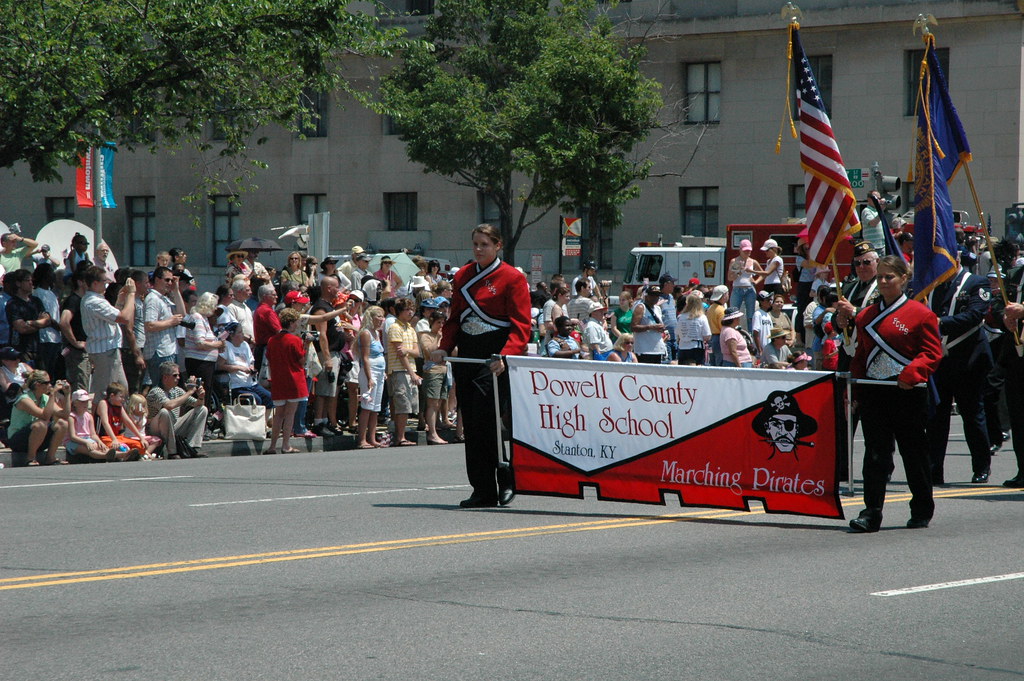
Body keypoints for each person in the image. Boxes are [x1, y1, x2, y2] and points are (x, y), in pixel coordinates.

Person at [836, 255, 943, 532]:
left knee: (913, 453)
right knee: (875, 455)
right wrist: (856, 387)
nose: (883, 282)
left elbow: (932, 353)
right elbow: (861, 354)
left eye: (889, 277)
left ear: (903, 279)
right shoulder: (867, 315)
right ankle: (871, 512)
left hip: (907, 392)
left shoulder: (921, 314)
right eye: (880, 277)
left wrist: (913, 373)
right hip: (875, 392)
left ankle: (921, 508)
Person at [432, 224, 531, 508]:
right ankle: (482, 488)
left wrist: (505, 354)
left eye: (484, 244)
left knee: (490, 421)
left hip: (495, 357)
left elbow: (521, 325)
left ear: (498, 246)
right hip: (468, 355)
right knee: (472, 423)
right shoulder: (463, 275)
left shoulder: (512, 278)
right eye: (475, 243)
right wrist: (444, 347)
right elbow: (454, 320)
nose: (478, 249)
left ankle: (506, 475)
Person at [925, 261, 994, 484]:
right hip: (939, 360)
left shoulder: (976, 282)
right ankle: (935, 469)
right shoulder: (931, 286)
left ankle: (981, 466)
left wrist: (940, 323)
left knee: (972, 414)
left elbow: (975, 315)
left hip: (969, 359)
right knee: (937, 418)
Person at [81, 265, 136, 399]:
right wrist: (131, 295)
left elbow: (112, 319)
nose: (106, 284)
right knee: (107, 392)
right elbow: (124, 318)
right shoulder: (94, 301)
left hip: (110, 349)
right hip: (104, 351)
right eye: (104, 281)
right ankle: (100, 419)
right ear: (95, 283)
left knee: (122, 390)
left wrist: (121, 300)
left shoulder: (98, 300)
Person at [265, 308, 308, 455]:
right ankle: (285, 445)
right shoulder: (295, 340)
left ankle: (272, 446)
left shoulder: (272, 340)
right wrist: (306, 344)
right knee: (290, 413)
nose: (296, 325)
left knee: (279, 414)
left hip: (278, 379)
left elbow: (269, 359)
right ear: (290, 323)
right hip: (294, 379)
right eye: (295, 322)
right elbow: (302, 361)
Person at [146, 361, 208, 459]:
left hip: (173, 425)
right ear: (165, 377)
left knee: (202, 409)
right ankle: (172, 452)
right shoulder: (155, 391)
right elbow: (169, 405)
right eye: (175, 375)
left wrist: (201, 397)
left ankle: (192, 448)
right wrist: (190, 391)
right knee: (164, 412)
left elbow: (197, 404)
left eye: (178, 375)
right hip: (156, 430)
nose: (178, 378)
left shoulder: (177, 390)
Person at [8, 371, 70, 466]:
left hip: (37, 437)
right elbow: (44, 416)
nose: (50, 385)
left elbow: (65, 414)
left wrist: (67, 394)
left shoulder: (45, 398)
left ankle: (50, 458)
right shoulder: (24, 399)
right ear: (37, 385)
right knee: (41, 424)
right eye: (47, 383)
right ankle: (30, 458)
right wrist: (53, 394)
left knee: (62, 423)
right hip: (18, 440)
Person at [836, 241, 880, 371]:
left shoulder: (884, 287)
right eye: (857, 263)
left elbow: (882, 315)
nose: (861, 267)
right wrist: (838, 321)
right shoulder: (848, 287)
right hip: (848, 350)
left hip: (871, 351)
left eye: (866, 262)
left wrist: (855, 311)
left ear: (877, 261)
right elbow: (836, 314)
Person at [143, 265, 186, 386]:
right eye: (167, 280)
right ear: (157, 280)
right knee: (162, 389)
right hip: (159, 352)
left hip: (169, 350)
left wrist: (176, 290)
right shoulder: (152, 299)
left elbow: (182, 314)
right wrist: (170, 322)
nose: (170, 283)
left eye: (172, 280)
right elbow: (149, 325)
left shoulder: (164, 299)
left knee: (170, 389)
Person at [387, 297, 421, 447]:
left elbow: (416, 352)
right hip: (399, 370)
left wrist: (408, 350)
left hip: (410, 369)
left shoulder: (411, 329)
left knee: (409, 405)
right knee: (402, 404)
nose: (410, 312)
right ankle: (400, 437)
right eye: (407, 309)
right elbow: (400, 355)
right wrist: (412, 373)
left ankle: (402, 435)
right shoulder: (395, 327)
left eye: (411, 309)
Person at [183, 292, 226, 410]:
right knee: (201, 394)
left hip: (207, 362)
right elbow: (200, 343)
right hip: (199, 363)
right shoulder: (197, 317)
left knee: (207, 394)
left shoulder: (204, 319)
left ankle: (204, 420)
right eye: (214, 305)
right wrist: (217, 344)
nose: (215, 308)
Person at [218, 321, 273, 408]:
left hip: (250, 383)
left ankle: (264, 421)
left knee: (269, 397)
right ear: (232, 335)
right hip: (237, 385)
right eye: (240, 332)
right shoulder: (227, 346)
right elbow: (219, 366)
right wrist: (239, 368)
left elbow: (251, 362)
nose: (243, 334)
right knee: (256, 399)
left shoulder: (245, 345)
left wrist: (251, 368)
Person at [96, 383, 157, 459]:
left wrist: (141, 438)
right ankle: (125, 455)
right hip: (104, 437)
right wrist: (114, 439)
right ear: (112, 396)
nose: (123, 400)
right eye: (121, 397)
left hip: (118, 437)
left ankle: (129, 454)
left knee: (140, 445)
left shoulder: (119, 406)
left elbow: (128, 422)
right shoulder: (103, 403)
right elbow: (105, 423)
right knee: (119, 446)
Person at [356, 305, 387, 449]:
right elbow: (365, 358)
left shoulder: (376, 333)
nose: (381, 319)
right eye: (378, 316)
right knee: (367, 406)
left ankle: (372, 438)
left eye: (382, 316)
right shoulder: (366, 333)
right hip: (370, 371)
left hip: (380, 371)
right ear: (371, 317)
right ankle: (362, 439)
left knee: (376, 408)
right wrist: (369, 378)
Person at [418, 310, 449, 445]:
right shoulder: (426, 336)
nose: (441, 325)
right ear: (432, 323)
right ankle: (432, 433)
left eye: (443, 323)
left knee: (439, 402)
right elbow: (430, 351)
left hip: (444, 370)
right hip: (432, 371)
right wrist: (439, 338)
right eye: (438, 323)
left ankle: (436, 426)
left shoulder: (444, 336)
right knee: (432, 403)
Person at [4, 268, 49, 359]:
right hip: (21, 350)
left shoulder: (36, 301)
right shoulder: (13, 303)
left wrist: (31, 323)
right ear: (18, 283)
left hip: (37, 348)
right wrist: (39, 323)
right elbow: (22, 328)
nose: (31, 283)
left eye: (31, 280)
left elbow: (47, 321)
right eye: (27, 280)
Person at [58, 268, 91, 390]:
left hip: (86, 351)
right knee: (80, 388)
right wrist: (75, 342)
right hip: (76, 353)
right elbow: (64, 322)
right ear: (80, 282)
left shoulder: (85, 300)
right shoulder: (73, 300)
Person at [727, 239, 762, 330]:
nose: (747, 252)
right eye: (745, 250)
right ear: (740, 250)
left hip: (749, 289)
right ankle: (734, 332)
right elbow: (729, 278)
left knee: (751, 315)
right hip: (737, 288)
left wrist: (756, 281)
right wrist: (738, 272)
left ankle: (751, 335)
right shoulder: (734, 261)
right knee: (733, 313)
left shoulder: (753, 261)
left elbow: (763, 274)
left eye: (749, 250)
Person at [631, 285, 667, 364]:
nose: (655, 297)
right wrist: (650, 327)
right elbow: (633, 327)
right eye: (652, 295)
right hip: (644, 349)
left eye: (657, 295)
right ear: (646, 296)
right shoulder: (640, 307)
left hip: (657, 349)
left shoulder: (657, 308)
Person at [675, 292, 711, 365]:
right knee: (697, 371)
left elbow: (677, 333)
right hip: (696, 347)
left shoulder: (680, 317)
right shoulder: (702, 317)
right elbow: (707, 336)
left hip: (682, 347)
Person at [251, 284, 280, 374]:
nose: (277, 296)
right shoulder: (267, 311)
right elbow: (279, 331)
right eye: (273, 295)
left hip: (262, 349)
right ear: (265, 296)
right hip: (267, 350)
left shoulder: (260, 309)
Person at [859, 191, 889, 256]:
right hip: (872, 246)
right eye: (876, 198)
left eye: (879, 198)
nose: (878, 200)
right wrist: (881, 210)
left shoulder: (877, 211)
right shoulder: (866, 211)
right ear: (869, 199)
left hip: (881, 245)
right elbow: (873, 223)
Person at [706, 284, 728, 366]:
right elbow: (722, 327)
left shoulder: (710, 308)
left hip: (712, 338)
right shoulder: (721, 310)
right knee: (720, 363)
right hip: (719, 338)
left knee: (713, 363)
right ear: (724, 296)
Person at [751, 289, 774, 355]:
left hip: (769, 350)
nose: (770, 302)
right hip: (761, 351)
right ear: (761, 302)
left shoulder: (768, 315)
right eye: (767, 300)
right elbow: (755, 333)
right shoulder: (757, 314)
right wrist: (760, 350)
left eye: (770, 300)